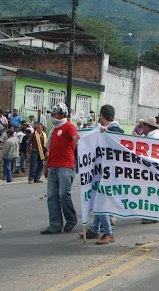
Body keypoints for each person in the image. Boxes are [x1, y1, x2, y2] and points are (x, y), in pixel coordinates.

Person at [85, 104, 124, 244]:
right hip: (109, 172)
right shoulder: (116, 130)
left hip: (108, 174)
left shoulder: (112, 131)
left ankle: (108, 233)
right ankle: (95, 229)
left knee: (100, 202)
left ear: (101, 116)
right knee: (99, 199)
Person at [41, 103, 79, 235]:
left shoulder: (69, 127)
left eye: (55, 114)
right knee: (52, 197)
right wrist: (47, 167)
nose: (53, 116)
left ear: (62, 115)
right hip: (53, 167)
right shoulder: (54, 130)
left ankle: (71, 219)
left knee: (63, 195)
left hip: (66, 167)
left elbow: (76, 140)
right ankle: (55, 224)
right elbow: (51, 150)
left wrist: (76, 145)